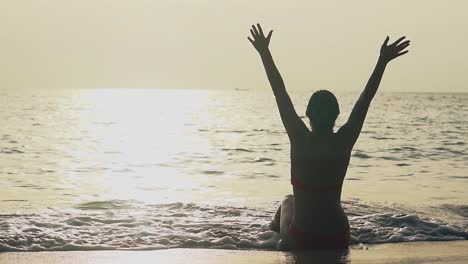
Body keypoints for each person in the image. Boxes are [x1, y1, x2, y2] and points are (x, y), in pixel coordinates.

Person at [247, 23, 410, 250]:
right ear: (336, 115)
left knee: (287, 201)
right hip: (338, 237)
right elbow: (365, 100)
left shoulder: (299, 137)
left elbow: (279, 92)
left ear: (307, 114)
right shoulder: (344, 140)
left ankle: (265, 236)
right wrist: (382, 61)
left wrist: (264, 52)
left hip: (302, 238)